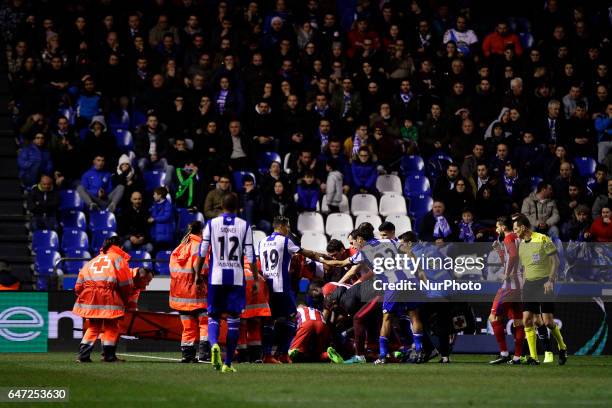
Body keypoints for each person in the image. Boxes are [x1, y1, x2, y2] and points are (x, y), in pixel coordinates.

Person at [195, 193, 258, 373]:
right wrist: (253, 278)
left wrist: (197, 274)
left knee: (213, 316)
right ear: (237, 207)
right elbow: (251, 255)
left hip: (216, 277)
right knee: (234, 320)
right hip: (236, 278)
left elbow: (202, 252)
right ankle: (228, 362)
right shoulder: (244, 225)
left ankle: (214, 344)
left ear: (221, 206)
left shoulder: (212, 224)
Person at [258, 216, 326, 364]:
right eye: (287, 227)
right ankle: (281, 353)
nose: (288, 230)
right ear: (282, 227)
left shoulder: (261, 242)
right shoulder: (285, 241)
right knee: (291, 318)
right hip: (281, 286)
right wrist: (323, 258)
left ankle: (267, 354)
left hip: (267, 286)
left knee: (270, 320)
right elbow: (306, 254)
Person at [513, 214, 567, 365]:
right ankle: (534, 357)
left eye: (516, 228)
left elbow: (555, 260)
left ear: (523, 227)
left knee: (548, 322)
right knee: (527, 320)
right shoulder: (521, 245)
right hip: (529, 285)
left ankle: (562, 347)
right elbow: (525, 268)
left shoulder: (542, 238)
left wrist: (550, 280)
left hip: (544, 282)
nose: (515, 232)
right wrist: (523, 286)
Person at [73, 236, 133, 363]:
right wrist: (125, 297)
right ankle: (108, 356)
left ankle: (83, 356)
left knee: (93, 326)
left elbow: (78, 285)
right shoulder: (118, 259)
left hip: (90, 297)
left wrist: (83, 295)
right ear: (119, 246)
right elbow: (126, 283)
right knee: (111, 326)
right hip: (108, 296)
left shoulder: (92, 261)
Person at [169, 221, 209, 363]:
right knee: (205, 323)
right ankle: (204, 354)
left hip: (180, 295)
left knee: (188, 327)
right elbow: (202, 269)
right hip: (196, 292)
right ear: (201, 232)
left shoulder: (180, 247)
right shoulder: (199, 246)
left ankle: (187, 355)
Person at [488, 217, 525, 365]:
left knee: (494, 317)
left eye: (497, 227)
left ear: (503, 227)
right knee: (518, 321)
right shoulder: (517, 238)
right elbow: (510, 257)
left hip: (510, 284)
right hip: (520, 284)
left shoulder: (509, 238)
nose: (496, 230)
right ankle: (517, 357)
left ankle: (504, 354)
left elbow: (513, 257)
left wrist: (508, 273)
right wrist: (498, 250)